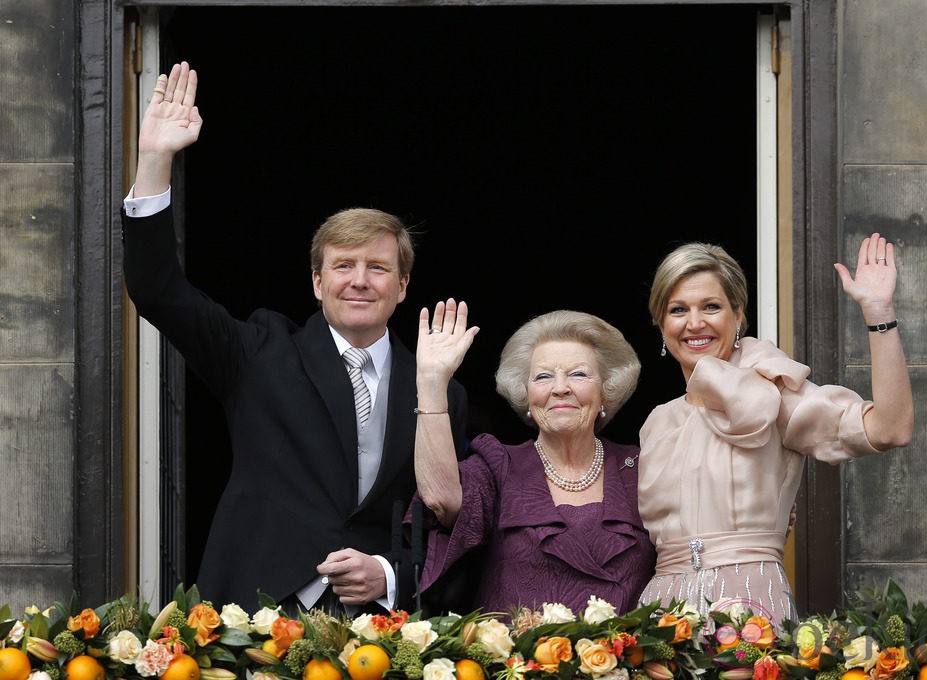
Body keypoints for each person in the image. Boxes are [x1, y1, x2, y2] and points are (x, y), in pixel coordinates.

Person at [121, 62, 469, 614]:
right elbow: (157, 288)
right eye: (343, 265)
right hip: (258, 611)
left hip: (384, 626)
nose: (359, 280)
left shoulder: (439, 390)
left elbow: (451, 524)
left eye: (378, 268)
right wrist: (155, 159)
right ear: (316, 281)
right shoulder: (259, 352)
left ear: (403, 287)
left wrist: (387, 573)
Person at [636, 234, 914, 627]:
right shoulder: (656, 422)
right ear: (661, 324)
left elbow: (890, 429)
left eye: (711, 307)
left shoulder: (772, 392)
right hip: (662, 611)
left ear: (738, 315)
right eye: (678, 309)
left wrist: (878, 311)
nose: (694, 323)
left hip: (751, 605)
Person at [410, 300, 656, 616]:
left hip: (625, 661)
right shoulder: (499, 465)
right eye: (543, 377)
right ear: (526, 394)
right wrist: (432, 382)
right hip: (514, 663)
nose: (560, 388)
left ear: (606, 391)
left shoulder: (639, 466)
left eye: (578, 374)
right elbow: (440, 499)